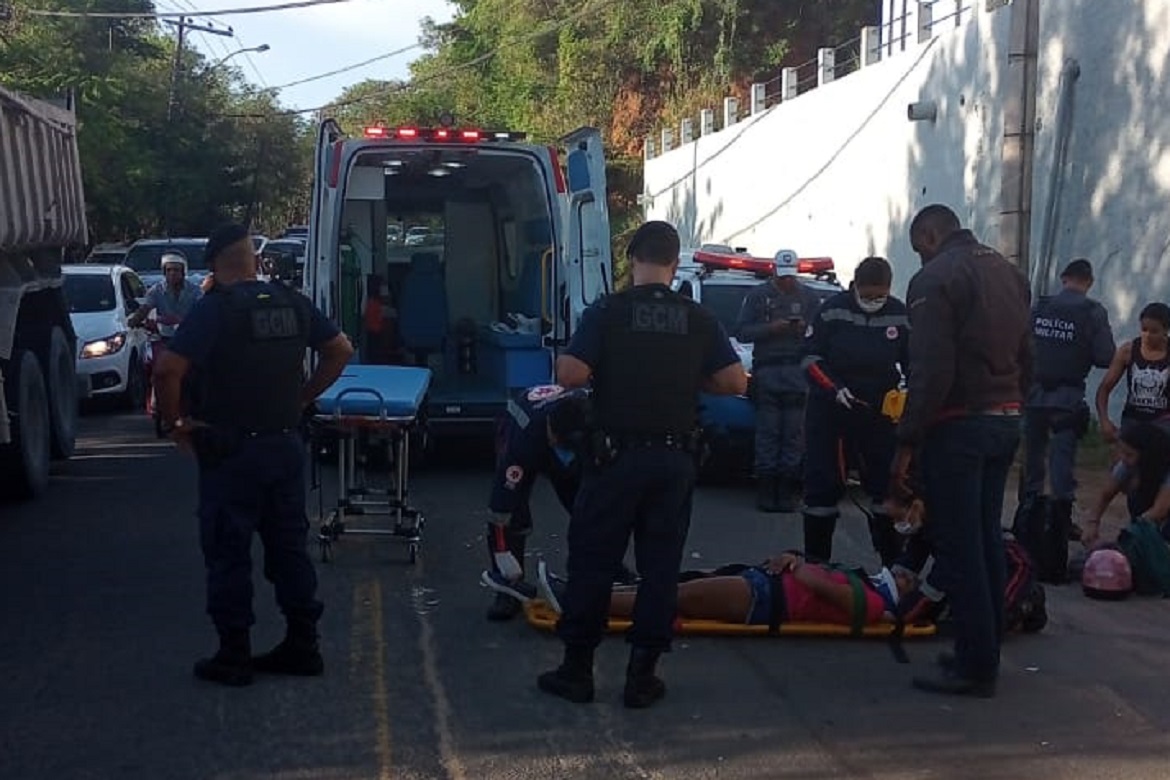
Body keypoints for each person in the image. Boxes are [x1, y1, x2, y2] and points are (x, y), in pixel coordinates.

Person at [538, 220, 747, 709]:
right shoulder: (696, 318)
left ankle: (577, 671)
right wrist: (690, 381)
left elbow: (570, 374)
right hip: (674, 460)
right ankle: (641, 676)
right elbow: (736, 382)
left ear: (632, 260)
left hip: (615, 459)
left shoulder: (610, 311)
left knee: (593, 560)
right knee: (660, 569)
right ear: (675, 265)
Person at [154, 223, 354, 688]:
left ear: (214, 266)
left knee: (228, 550)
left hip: (231, 453)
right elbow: (340, 350)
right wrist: (303, 398)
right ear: (254, 260)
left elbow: (167, 369)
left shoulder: (214, 310)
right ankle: (304, 645)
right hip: (285, 445)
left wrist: (175, 424)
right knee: (288, 547)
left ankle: (234, 655)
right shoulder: (291, 301)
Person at [891, 204, 1032, 698]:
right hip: (1005, 418)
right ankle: (984, 648)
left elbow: (931, 370)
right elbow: (1027, 354)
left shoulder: (936, 280)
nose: (919, 260)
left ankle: (975, 665)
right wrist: (1017, 406)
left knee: (962, 544)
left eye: (918, 249)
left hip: (959, 424)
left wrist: (908, 440)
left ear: (930, 235)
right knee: (987, 537)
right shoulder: (1008, 271)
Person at [801, 256, 910, 565]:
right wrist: (833, 389)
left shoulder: (899, 315)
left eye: (880, 295)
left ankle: (890, 566)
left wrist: (908, 395)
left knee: (884, 487)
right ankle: (817, 565)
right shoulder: (833, 310)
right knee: (822, 488)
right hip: (831, 414)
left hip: (878, 416)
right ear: (855, 286)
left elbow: (914, 363)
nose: (873, 301)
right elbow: (809, 358)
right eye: (868, 294)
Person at [532, 553, 915, 628]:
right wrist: (792, 559)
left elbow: (812, 582)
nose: (901, 572)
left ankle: (577, 603)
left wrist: (796, 564)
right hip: (763, 587)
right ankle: (583, 593)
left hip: (764, 600)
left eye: (906, 579)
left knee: (670, 597)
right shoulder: (868, 586)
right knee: (674, 584)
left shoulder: (873, 602)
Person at [1019, 259, 1115, 546]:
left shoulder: (1040, 307)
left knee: (1033, 462)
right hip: (1067, 399)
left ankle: (1028, 523)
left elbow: (1020, 347)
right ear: (1089, 281)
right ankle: (1058, 528)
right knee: (1061, 466)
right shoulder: (1092, 312)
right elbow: (1105, 356)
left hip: (1033, 396)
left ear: (1063, 278)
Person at [478, 385, 591, 621]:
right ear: (550, 426)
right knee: (514, 512)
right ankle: (508, 589)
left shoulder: (593, 416)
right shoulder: (522, 439)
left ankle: (603, 574)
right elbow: (501, 506)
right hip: (520, 429)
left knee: (589, 508)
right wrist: (502, 555)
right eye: (559, 442)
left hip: (577, 436)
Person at [734, 249, 824, 513]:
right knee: (768, 432)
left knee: (794, 434)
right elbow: (741, 332)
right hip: (768, 371)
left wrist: (802, 329)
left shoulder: (809, 297)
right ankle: (766, 488)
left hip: (797, 373)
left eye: (790, 277)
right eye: (782, 276)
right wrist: (771, 329)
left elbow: (820, 333)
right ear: (774, 271)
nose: (787, 282)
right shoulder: (757, 296)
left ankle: (785, 489)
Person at [1081, 420, 1170, 547]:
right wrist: (1092, 522)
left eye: (1129, 455)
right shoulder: (1128, 464)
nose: (1123, 458)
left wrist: (1127, 536)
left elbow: (1159, 510)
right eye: (1122, 452)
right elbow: (1106, 494)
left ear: (1148, 456)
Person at [1095, 302, 1170, 441]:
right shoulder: (1128, 351)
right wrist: (1104, 421)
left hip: (1163, 424)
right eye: (1144, 329)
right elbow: (1104, 388)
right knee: (1126, 461)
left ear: (1165, 331)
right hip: (1133, 421)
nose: (1147, 335)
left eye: (1154, 331)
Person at [127, 251, 203, 339]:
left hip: (190, 336)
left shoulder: (195, 290)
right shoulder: (156, 290)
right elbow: (145, 308)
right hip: (164, 337)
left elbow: (203, 312)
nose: (172, 273)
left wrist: (185, 320)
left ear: (183, 272)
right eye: (168, 270)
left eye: (176, 270)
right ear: (164, 272)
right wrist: (134, 321)